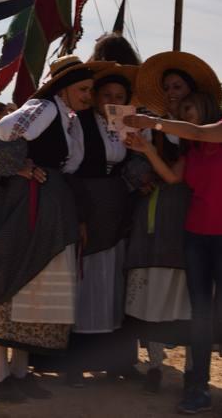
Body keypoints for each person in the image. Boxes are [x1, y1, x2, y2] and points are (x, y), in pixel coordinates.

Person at [0, 55, 102, 403]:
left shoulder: (66, 117)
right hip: (21, 205)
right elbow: (2, 133)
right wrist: (18, 167)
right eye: (83, 89)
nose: (88, 96)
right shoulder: (46, 108)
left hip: (48, 204)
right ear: (64, 87)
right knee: (14, 282)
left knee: (34, 288)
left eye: (90, 90)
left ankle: (20, 373)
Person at [125, 90, 222, 418]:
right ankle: (200, 388)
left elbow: (195, 130)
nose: (186, 113)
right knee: (200, 315)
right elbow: (171, 177)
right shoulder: (191, 150)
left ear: (206, 106)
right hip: (197, 236)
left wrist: (154, 121)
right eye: (181, 110)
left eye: (189, 107)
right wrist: (148, 148)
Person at [40, 63, 137, 386]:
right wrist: (79, 213)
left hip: (116, 205)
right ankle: (74, 361)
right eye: (105, 94)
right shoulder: (77, 122)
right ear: (94, 96)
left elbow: (134, 161)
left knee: (113, 283)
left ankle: (115, 360)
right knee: (84, 280)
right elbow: (71, 170)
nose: (112, 100)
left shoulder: (125, 123)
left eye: (119, 96)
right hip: (85, 200)